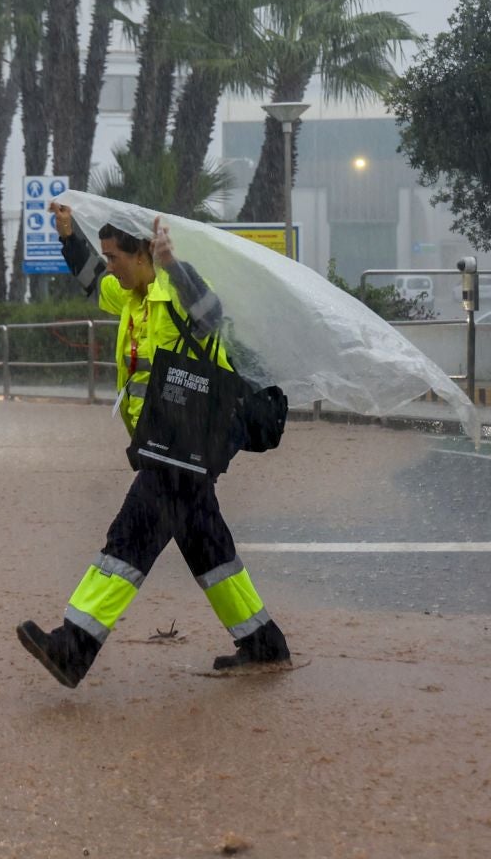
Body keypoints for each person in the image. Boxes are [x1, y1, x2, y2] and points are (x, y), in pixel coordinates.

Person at [16, 203, 292, 688]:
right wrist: (68, 235)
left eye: (115, 257)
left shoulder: (177, 292)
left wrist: (173, 265)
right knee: (208, 547)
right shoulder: (130, 296)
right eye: (106, 256)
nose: (110, 267)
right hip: (166, 444)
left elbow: (211, 313)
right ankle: (262, 642)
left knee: (129, 539)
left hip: (188, 444)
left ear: (143, 255)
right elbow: (91, 279)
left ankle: (74, 647)